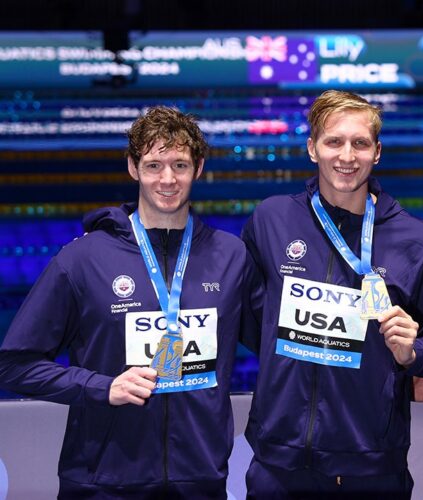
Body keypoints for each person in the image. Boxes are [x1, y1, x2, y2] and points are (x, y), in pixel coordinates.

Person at [0, 106, 263, 498]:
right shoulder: (83, 260)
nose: (168, 179)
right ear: (133, 167)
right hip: (102, 483)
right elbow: (14, 365)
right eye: (154, 164)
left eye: (180, 164)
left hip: (201, 481)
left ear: (199, 167)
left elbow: (278, 345)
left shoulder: (230, 256)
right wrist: (100, 387)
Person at [241, 90, 423, 498]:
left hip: (371, 464)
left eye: (360, 143)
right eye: (334, 141)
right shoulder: (273, 220)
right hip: (280, 463)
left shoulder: (416, 240)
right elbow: (249, 317)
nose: (347, 155)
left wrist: (412, 356)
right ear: (312, 148)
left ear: (377, 152)